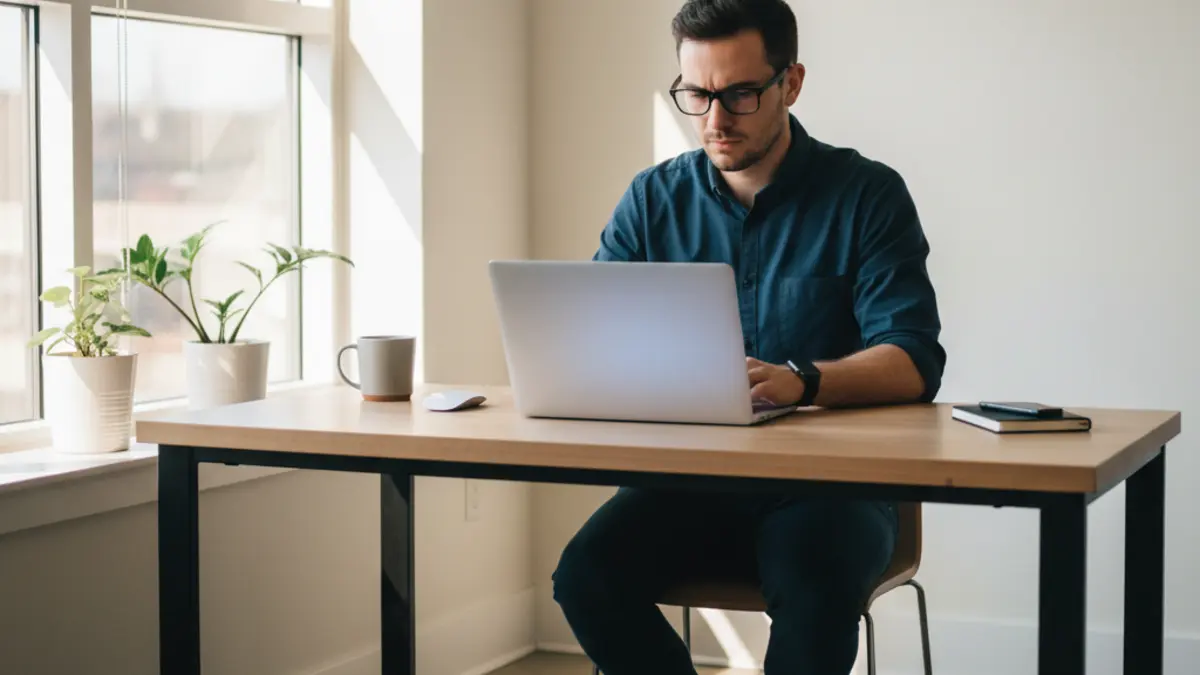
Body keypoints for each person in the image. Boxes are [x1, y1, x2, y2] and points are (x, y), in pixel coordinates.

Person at [549, 0, 947, 673]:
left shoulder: (867, 195)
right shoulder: (652, 200)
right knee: (586, 575)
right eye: (695, 94)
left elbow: (913, 357)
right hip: (687, 485)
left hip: (832, 489)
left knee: (815, 586)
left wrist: (805, 380)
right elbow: (592, 333)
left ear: (790, 83)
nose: (713, 119)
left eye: (738, 93)